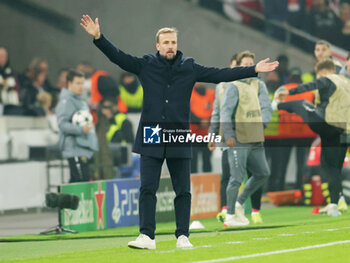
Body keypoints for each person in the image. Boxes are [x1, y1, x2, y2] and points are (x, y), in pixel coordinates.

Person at [80, 14, 278, 249]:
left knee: (182, 189)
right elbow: (119, 57)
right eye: (166, 42)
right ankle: (147, 236)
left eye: (173, 42)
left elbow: (220, 74)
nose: (170, 46)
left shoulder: (189, 67)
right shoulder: (146, 64)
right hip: (151, 133)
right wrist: (99, 38)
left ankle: (183, 236)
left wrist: (253, 69)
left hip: (178, 135)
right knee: (147, 188)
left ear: (177, 44)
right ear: (157, 45)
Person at [275, 58, 350, 216]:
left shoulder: (328, 78)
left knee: (300, 103)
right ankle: (336, 203)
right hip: (344, 132)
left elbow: (309, 86)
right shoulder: (346, 84)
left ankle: (275, 105)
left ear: (323, 72)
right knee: (333, 168)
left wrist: (289, 92)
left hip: (325, 124)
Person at [209, 53, 266, 224]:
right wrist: (222, 135)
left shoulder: (256, 85)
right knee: (232, 176)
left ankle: (240, 204)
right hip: (235, 137)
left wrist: (261, 126)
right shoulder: (226, 86)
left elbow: (263, 109)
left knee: (262, 173)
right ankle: (229, 213)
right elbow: (220, 113)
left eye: (251, 63)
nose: (249, 66)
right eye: (245, 64)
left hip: (254, 137)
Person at [55, 69, 98, 183]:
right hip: (74, 148)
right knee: (79, 181)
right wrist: (80, 129)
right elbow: (62, 124)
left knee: (79, 180)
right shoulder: (66, 101)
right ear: (70, 84)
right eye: (78, 83)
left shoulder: (81, 101)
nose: (81, 86)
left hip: (83, 148)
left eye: (82, 83)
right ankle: (65, 200)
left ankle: (67, 200)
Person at [190, 82, 215, 173]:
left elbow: (217, 110)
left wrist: (208, 120)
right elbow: (186, 112)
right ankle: (193, 186)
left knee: (207, 161)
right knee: (192, 162)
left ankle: (208, 185)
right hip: (193, 134)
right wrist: (199, 121)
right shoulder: (189, 94)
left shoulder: (211, 94)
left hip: (207, 134)